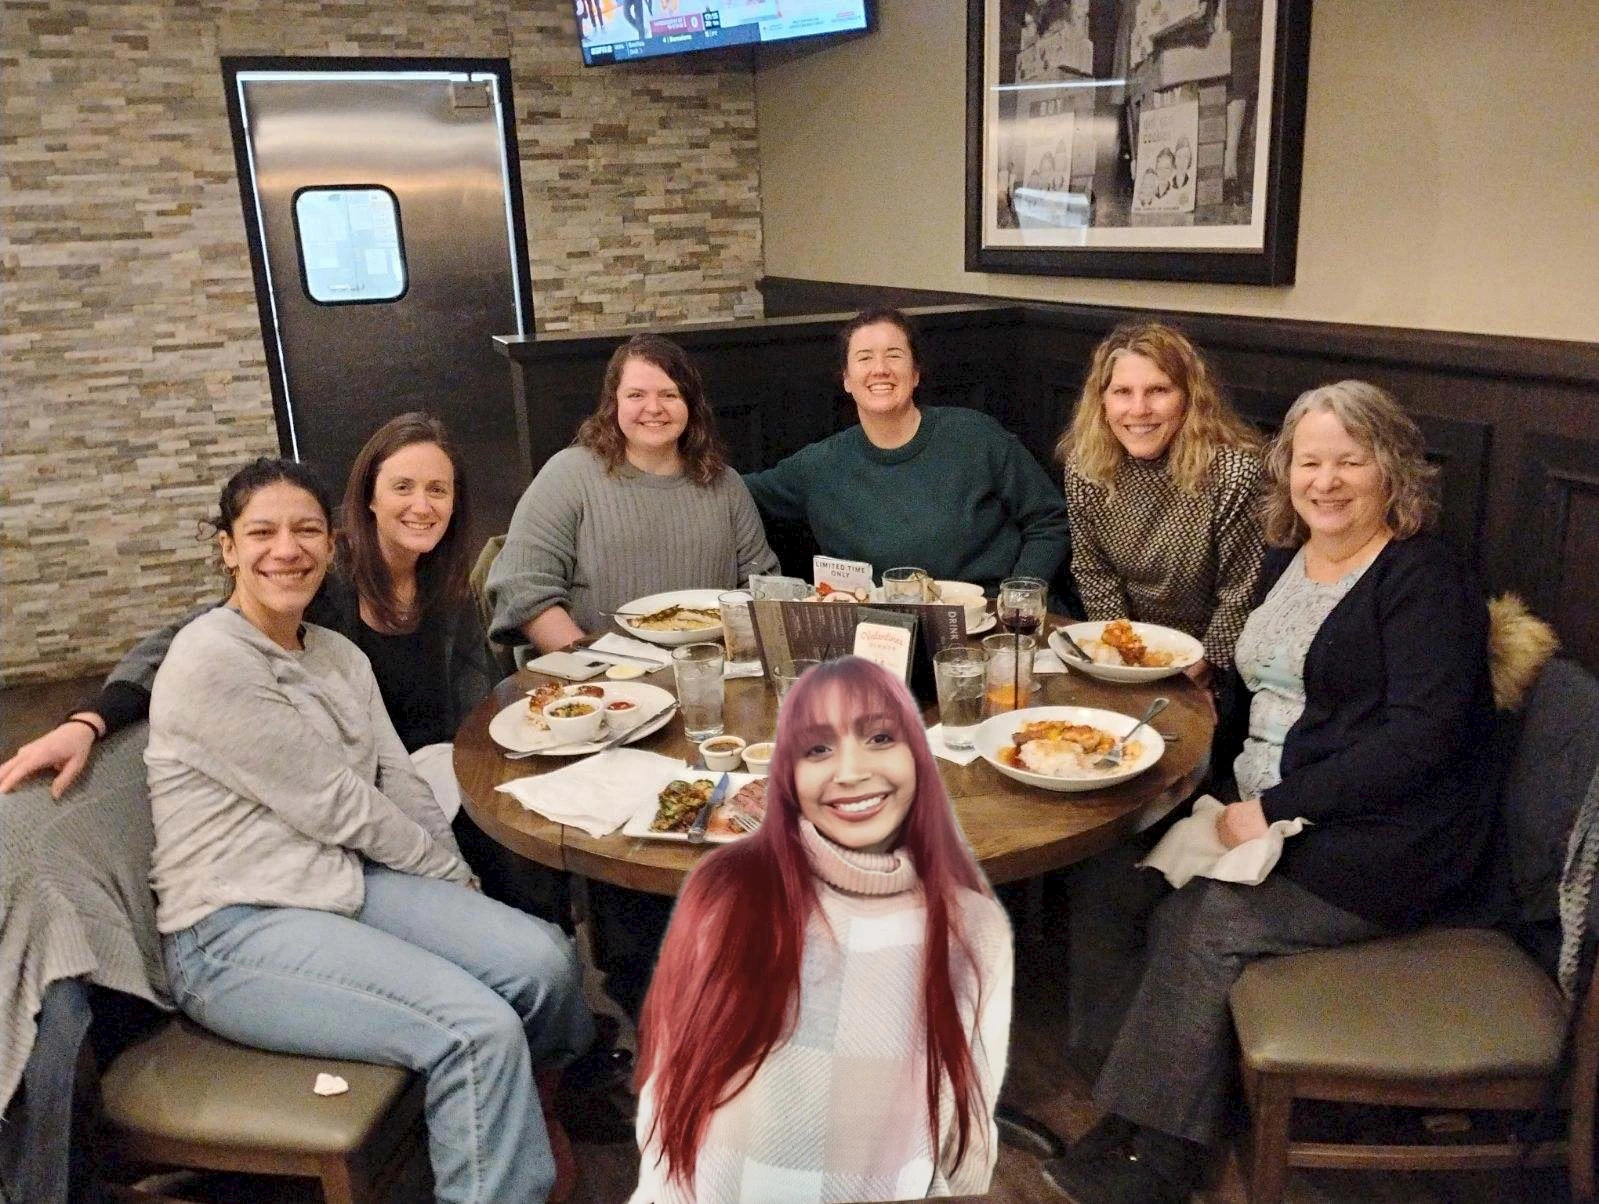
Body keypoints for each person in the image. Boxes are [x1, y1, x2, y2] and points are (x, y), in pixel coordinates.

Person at [1042, 382, 1498, 1204]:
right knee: (1111, 878)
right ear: (1285, 471)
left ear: (1389, 470)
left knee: (1202, 921)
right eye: (1309, 461)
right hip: (1260, 806)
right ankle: (1126, 1100)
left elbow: (1419, 742)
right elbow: (1267, 691)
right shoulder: (1290, 559)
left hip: (1378, 839)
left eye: (1348, 461)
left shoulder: (1421, 577)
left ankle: (1166, 1153)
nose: (1325, 481)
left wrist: (1277, 807)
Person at [145, 458, 593, 1204]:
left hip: (341, 884)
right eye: (261, 532)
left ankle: (519, 1110)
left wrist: (458, 882)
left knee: (542, 958)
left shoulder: (335, 654)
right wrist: (449, 878)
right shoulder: (210, 658)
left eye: (305, 530)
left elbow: (400, 786)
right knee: (475, 1032)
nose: (284, 549)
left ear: (331, 543)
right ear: (227, 547)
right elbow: (338, 807)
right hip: (234, 927)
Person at [630, 656, 1013, 1203]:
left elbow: (967, 1118)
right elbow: (667, 1096)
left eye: (880, 737)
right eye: (817, 749)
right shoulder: (725, 891)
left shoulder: (973, 929)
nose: (851, 770)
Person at [743, 307, 1071, 593]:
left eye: (894, 355)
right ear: (846, 379)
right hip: (884, 635)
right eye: (864, 357)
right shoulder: (818, 466)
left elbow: (1049, 519)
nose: (880, 368)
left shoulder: (975, 435)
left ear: (914, 374)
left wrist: (1019, 595)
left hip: (988, 624)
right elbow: (734, 491)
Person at [487, 332, 778, 655]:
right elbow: (523, 587)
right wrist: (597, 665)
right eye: (636, 395)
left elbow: (761, 585)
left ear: (691, 405)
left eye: (669, 395)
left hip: (705, 669)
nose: (653, 408)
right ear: (613, 404)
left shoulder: (726, 485)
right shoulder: (568, 475)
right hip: (594, 679)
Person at [1058, 321, 1265, 689]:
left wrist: (1199, 667)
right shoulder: (1085, 466)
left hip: (1213, 662)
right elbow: (1093, 573)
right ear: (1102, 401)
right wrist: (1124, 660)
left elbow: (1242, 593)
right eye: (1123, 392)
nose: (1139, 409)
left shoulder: (1234, 474)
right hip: (1123, 652)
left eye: (1158, 390)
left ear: (1188, 398)